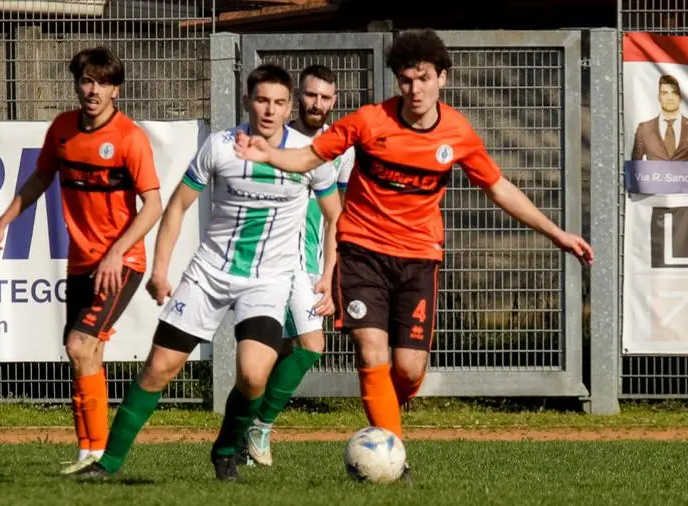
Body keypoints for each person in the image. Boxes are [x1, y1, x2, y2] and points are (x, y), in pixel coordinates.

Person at [234, 28, 594, 478]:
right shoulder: (369, 121)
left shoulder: (457, 133)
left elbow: (498, 188)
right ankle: (392, 460)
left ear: (441, 78)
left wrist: (556, 233)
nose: (414, 88)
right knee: (371, 352)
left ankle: (386, 409)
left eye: (423, 78)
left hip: (419, 257)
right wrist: (268, 154)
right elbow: (309, 158)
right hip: (362, 250)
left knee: (406, 369)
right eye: (405, 79)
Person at [71, 63, 343, 482]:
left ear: (290, 108)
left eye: (278, 103)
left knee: (253, 375)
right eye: (261, 100)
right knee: (159, 368)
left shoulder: (308, 158)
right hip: (209, 274)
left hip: (267, 281)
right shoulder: (220, 147)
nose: (269, 110)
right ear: (247, 101)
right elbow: (177, 206)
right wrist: (161, 269)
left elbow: (334, 217)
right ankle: (107, 465)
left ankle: (226, 448)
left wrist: (326, 274)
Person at [0, 46, 162, 473]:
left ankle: (98, 451)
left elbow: (152, 205)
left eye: (102, 82)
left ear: (116, 89)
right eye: (86, 81)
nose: (92, 90)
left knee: (79, 344)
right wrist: (2, 223)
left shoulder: (129, 139)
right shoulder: (62, 128)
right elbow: (41, 176)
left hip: (122, 263)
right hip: (81, 262)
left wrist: (117, 252)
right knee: (85, 353)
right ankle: (91, 452)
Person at [243, 64, 356, 467]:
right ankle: (254, 427)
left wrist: (329, 273)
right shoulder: (274, 141)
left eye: (326, 98)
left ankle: (253, 426)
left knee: (300, 348)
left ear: (334, 102)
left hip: (307, 266)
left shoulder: (340, 150)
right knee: (290, 348)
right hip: (267, 263)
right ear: (296, 100)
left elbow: (335, 218)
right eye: (311, 95)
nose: (317, 104)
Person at [631, 74, 688, 161]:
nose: (670, 98)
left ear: (680, 98)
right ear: (659, 98)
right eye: (665, 93)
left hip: (685, 175)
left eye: (674, 93)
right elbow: (635, 165)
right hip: (655, 175)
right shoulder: (644, 129)